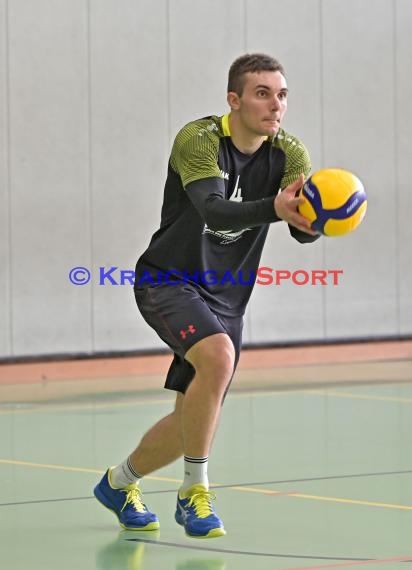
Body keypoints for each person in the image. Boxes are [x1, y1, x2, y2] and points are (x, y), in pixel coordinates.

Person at [94, 53, 320, 539]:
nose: (275, 105)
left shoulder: (291, 154)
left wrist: (322, 216)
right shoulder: (199, 140)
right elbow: (215, 212)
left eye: (282, 95)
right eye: (262, 93)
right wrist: (279, 209)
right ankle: (194, 492)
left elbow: (302, 233)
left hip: (226, 297)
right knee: (217, 358)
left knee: (190, 417)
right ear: (234, 100)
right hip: (168, 281)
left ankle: (119, 483)